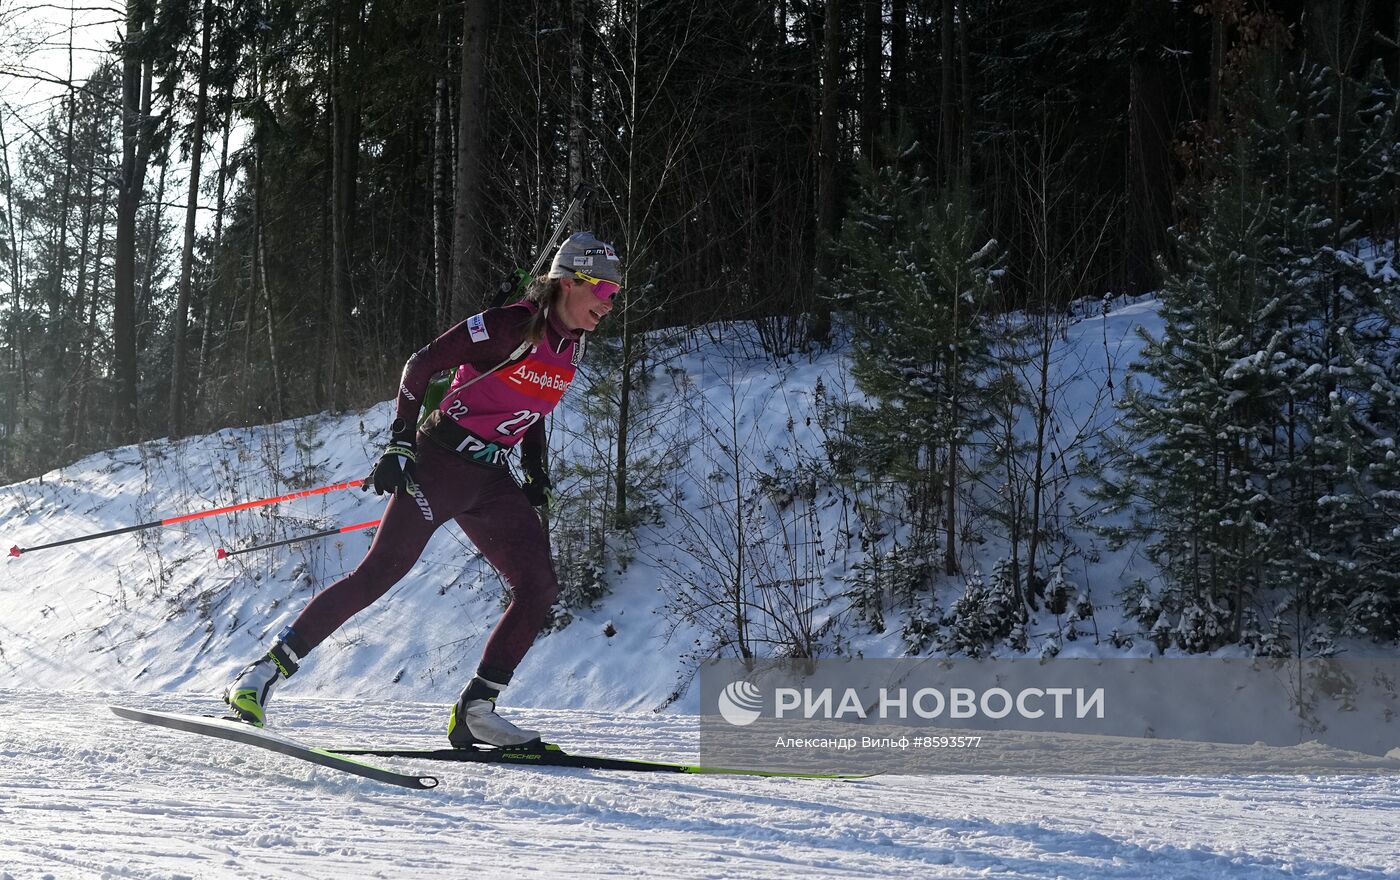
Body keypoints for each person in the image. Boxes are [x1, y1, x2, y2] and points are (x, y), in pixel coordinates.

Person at [222, 231, 622, 748]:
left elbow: (531, 400)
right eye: (605, 292)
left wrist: (535, 469)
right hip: (440, 461)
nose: (610, 305)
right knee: (379, 575)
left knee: (539, 584)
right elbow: (420, 364)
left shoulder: (571, 346)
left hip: (490, 477)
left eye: (616, 294)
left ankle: (477, 710)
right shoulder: (508, 326)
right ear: (571, 282)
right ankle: (258, 677)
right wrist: (399, 444)